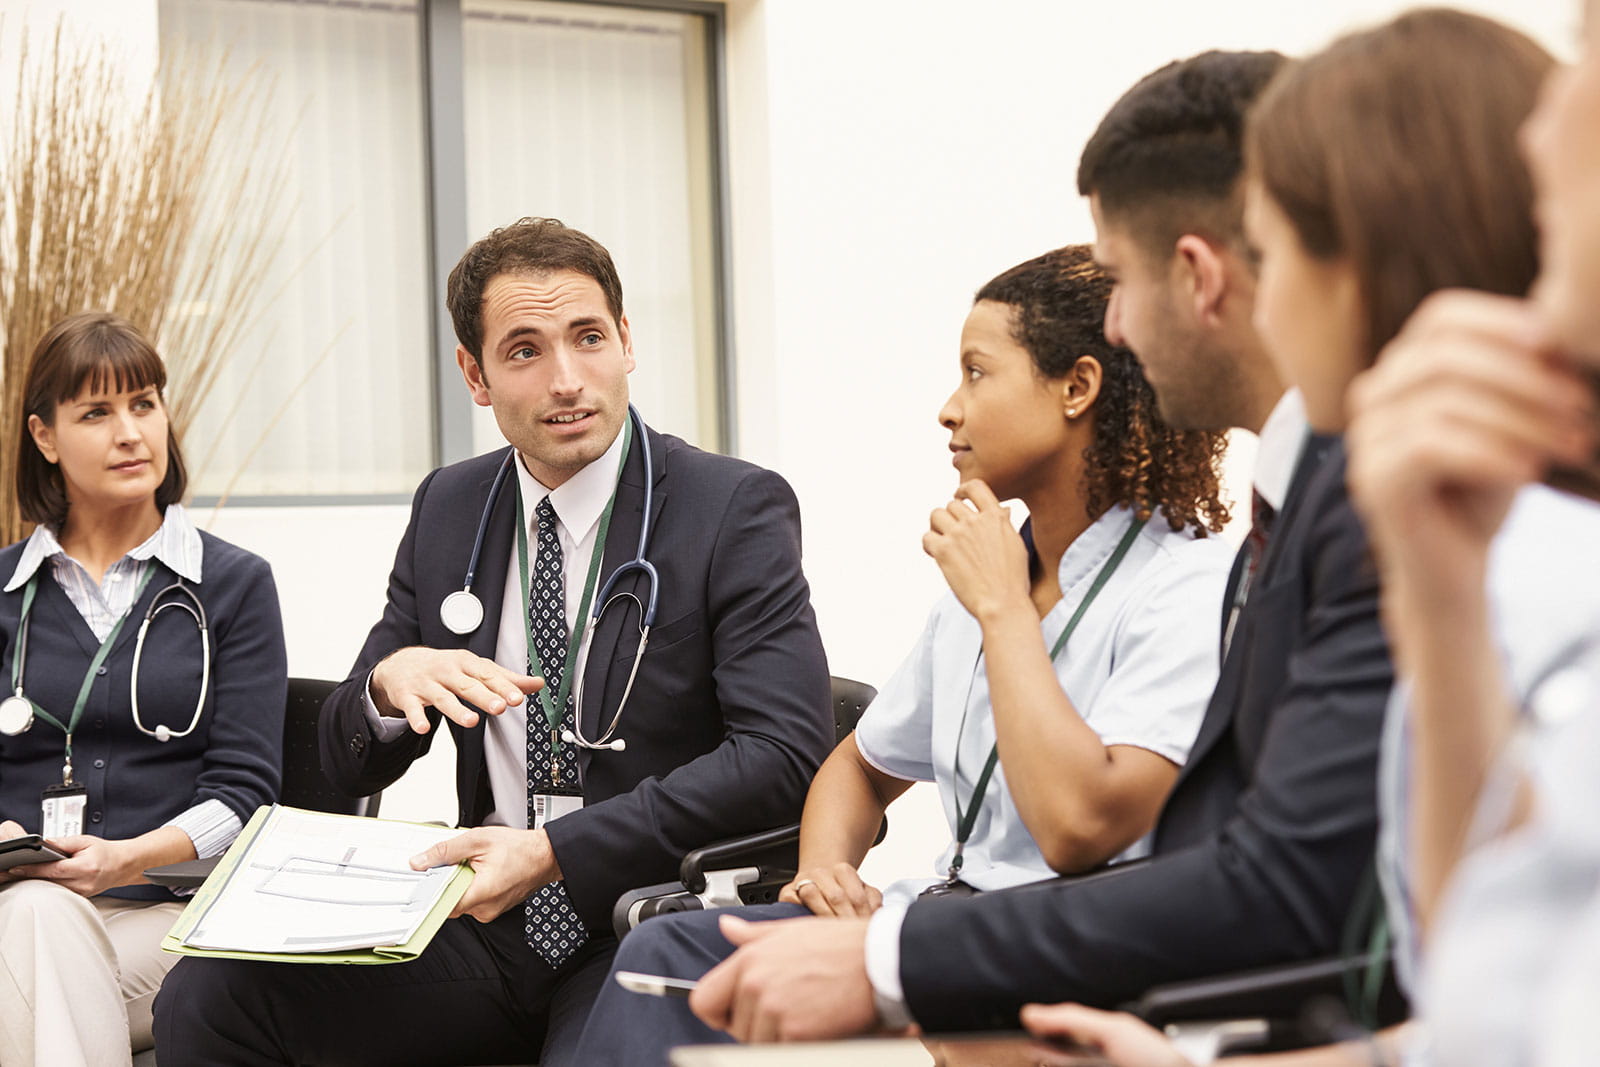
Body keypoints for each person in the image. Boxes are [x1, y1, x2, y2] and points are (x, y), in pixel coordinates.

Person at [679, 46, 1399, 1044]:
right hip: (1060, 959)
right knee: (686, 963)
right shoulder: (1299, 508)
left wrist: (894, 955)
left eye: (1116, 279)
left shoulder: (1329, 521)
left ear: (1195, 274)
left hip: (1098, 981)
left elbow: (1240, 870)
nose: (1111, 321)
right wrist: (833, 892)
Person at [1010, 9, 1565, 1065]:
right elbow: (1472, 997)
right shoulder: (1436, 526)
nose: (1254, 289)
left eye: (1278, 242)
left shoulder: (1509, 545)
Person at [152, 217, 834, 1065]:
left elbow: (782, 754)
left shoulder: (729, 507)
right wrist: (386, 689)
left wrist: (554, 852)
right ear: (475, 374)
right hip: (486, 921)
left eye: (588, 338)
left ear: (626, 340)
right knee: (214, 995)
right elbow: (341, 758)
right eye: (524, 351)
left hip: (641, 916)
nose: (567, 379)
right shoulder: (452, 506)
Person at [576, 245, 1235, 1062]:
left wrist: (1002, 611)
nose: (948, 409)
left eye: (977, 373)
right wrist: (823, 874)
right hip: (923, 917)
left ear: (1077, 387)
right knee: (665, 959)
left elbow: (1078, 828)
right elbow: (858, 765)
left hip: (1052, 958)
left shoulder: (1187, 586)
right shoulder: (998, 568)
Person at [0, 312, 288, 1066]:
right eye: (96, 412)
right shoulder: (1, 594)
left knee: (37, 932)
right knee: (36, 912)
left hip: (168, 921)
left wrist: (122, 859)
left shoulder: (232, 585)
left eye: (144, 403)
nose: (131, 432)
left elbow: (244, 793)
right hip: (16, 909)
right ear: (45, 437)